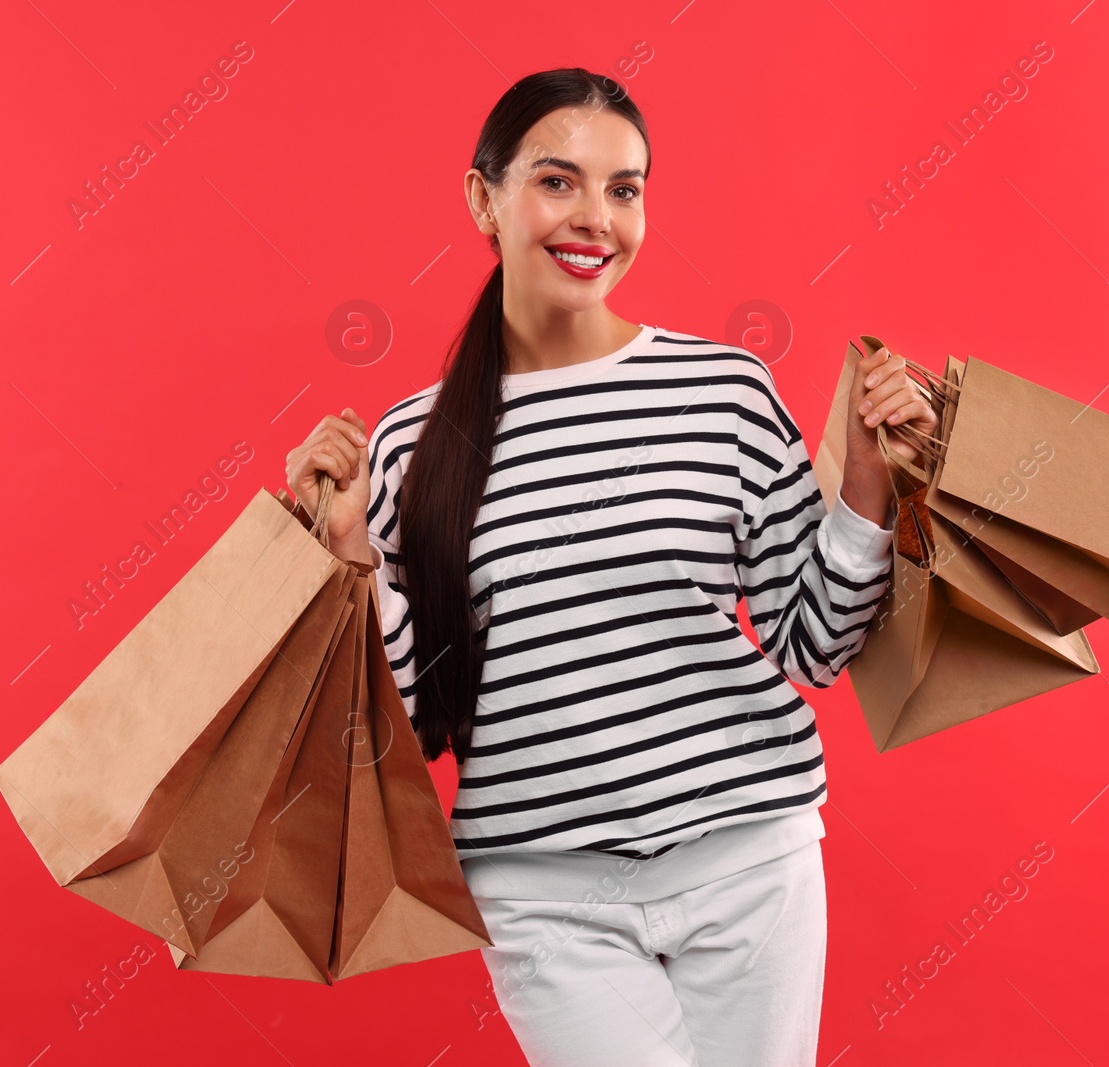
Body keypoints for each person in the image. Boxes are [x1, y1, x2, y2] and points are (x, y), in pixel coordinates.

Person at [286, 68, 937, 1067]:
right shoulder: (412, 447)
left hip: (748, 862)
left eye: (624, 188)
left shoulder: (722, 388)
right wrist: (348, 562)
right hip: (541, 892)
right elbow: (406, 733)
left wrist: (858, 487)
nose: (596, 217)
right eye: (558, 181)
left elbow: (811, 646)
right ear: (482, 198)